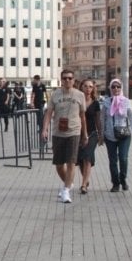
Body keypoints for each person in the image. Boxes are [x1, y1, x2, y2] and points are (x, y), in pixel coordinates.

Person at [40, 69, 88, 204]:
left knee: (71, 162)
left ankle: (66, 190)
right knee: (59, 164)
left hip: (74, 132)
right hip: (58, 132)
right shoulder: (55, 94)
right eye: (65, 78)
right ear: (61, 80)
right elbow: (49, 113)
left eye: (70, 78)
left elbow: (82, 116)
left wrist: (85, 134)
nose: (67, 80)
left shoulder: (80, 95)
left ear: (74, 80)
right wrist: (45, 129)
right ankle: (69, 182)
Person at [101, 78, 132, 192]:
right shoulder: (106, 102)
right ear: (110, 88)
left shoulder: (126, 101)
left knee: (123, 158)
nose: (116, 89)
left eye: (118, 86)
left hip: (124, 135)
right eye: (113, 87)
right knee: (112, 160)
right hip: (110, 135)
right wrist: (101, 136)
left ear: (121, 88)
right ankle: (115, 183)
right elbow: (102, 120)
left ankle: (123, 178)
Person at [76, 78, 103, 194]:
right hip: (77, 133)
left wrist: (101, 134)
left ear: (93, 89)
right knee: (80, 160)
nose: (88, 89)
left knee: (87, 157)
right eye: (85, 86)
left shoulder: (95, 103)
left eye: (90, 86)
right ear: (81, 87)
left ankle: (83, 185)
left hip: (92, 134)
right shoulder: (77, 101)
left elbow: (98, 120)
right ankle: (85, 179)